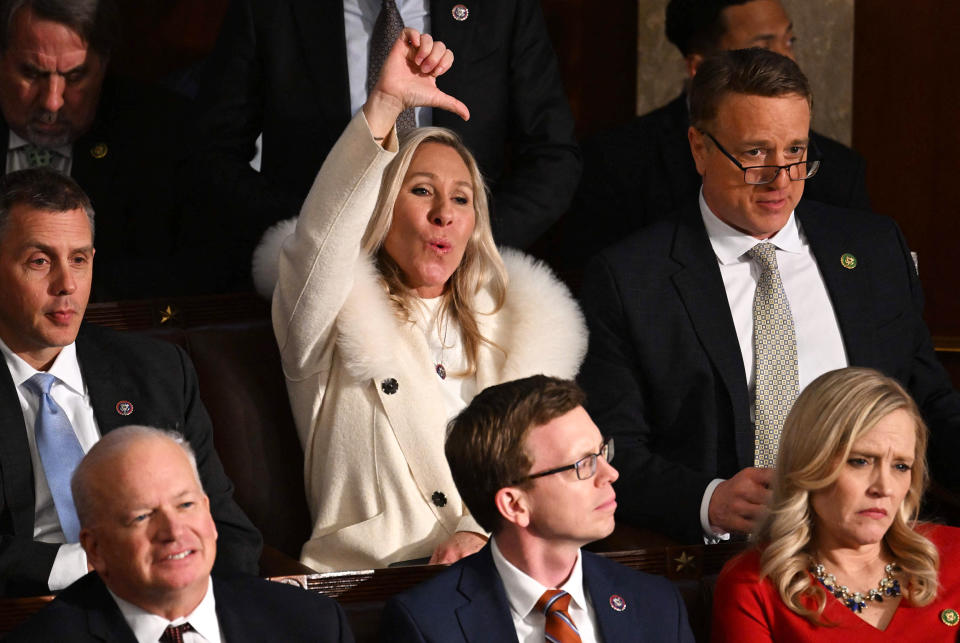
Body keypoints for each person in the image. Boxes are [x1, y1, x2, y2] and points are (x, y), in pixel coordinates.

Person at [578, 47, 960, 545]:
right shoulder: (631, 278)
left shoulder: (873, 250)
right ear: (699, 148)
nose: (780, 179)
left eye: (796, 152)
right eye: (755, 153)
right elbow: (614, 448)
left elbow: (926, 399)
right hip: (730, 560)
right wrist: (707, 498)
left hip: (877, 545)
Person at [262, 29, 587, 572]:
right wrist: (385, 106)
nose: (444, 213)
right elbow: (320, 243)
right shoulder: (327, 318)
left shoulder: (517, 333)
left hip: (503, 573)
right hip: (375, 584)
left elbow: (549, 482)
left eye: (461, 198)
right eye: (420, 191)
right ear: (381, 207)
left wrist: (480, 537)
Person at [188, 0, 580, 292]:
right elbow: (214, 155)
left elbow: (554, 158)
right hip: (318, 284)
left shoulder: (501, 9)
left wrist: (465, 244)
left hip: (461, 288)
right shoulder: (270, 9)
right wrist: (317, 237)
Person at [0, 167, 261, 597]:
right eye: (40, 261)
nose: (67, 285)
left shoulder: (156, 372)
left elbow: (229, 531)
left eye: (79, 260)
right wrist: (92, 562)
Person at [381, 375, 694, 642]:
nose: (610, 474)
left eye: (602, 451)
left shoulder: (656, 602)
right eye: (583, 464)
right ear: (515, 505)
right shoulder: (428, 624)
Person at [569, 0, 870, 271]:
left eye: (789, 40)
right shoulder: (615, 163)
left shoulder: (839, 172)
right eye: (761, 51)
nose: (786, 61)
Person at [7, 426, 354, 642]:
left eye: (186, 505)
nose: (173, 531)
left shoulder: (311, 624)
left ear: (209, 514)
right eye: (142, 516)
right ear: (95, 549)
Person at [712, 367, 960, 641]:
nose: (885, 488)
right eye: (860, 461)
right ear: (809, 463)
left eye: (901, 466)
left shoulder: (954, 554)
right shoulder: (753, 585)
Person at [0, 0, 200, 300]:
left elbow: (184, 271)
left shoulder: (162, 134)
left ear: (104, 65)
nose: (52, 102)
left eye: (75, 76)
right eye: (31, 73)